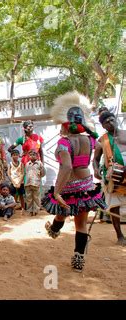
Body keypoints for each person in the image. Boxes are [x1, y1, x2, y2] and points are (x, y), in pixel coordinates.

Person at [41, 91, 106, 272]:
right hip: (86, 184)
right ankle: (78, 260)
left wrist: (56, 191)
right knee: (81, 224)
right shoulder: (91, 140)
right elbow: (99, 147)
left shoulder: (64, 143)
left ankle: (54, 230)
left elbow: (67, 167)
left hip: (69, 185)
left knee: (62, 212)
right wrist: (94, 165)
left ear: (65, 124)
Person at [93, 111, 126, 246]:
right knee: (114, 206)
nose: (111, 123)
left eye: (112, 120)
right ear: (103, 126)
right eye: (107, 122)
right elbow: (95, 160)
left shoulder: (125, 133)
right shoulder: (102, 141)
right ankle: (120, 236)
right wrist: (96, 170)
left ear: (116, 119)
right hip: (113, 177)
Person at [24, 150, 46, 216]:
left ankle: (36, 210)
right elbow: (26, 173)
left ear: (37, 156)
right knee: (29, 198)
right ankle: (30, 210)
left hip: (36, 183)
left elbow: (43, 173)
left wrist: (39, 177)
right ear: (29, 156)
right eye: (30, 155)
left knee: (36, 198)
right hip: (28, 183)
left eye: (34, 155)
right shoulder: (27, 164)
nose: (32, 156)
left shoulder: (39, 163)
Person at [7, 149, 25, 214]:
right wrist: (13, 182)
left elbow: (23, 173)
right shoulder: (10, 164)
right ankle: (13, 208)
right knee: (13, 195)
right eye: (14, 155)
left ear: (19, 156)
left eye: (17, 155)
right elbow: (9, 174)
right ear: (11, 156)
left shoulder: (21, 164)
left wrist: (20, 182)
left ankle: (23, 208)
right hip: (13, 182)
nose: (15, 156)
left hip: (20, 182)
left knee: (21, 195)